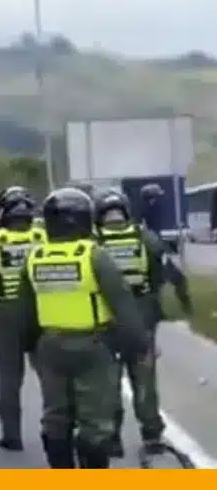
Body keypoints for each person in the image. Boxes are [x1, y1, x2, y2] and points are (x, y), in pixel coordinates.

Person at [18, 187, 151, 468]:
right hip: (93, 347)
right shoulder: (93, 255)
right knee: (94, 422)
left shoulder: (34, 257)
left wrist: (31, 348)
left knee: (55, 416)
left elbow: (26, 311)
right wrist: (139, 346)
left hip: (50, 347)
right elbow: (122, 304)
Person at [93, 187, 194, 457]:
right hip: (142, 322)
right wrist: (185, 305)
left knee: (108, 383)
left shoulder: (92, 242)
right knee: (144, 381)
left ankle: (111, 437)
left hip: (107, 323)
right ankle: (151, 434)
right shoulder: (144, 237)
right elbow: (171, 274)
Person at [0, 186, 43, 451]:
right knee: (49, 376)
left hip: (8, 312)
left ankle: (12, 435)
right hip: (42, 311)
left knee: (10, 378)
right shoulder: (43, 236)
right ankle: (58, 427)